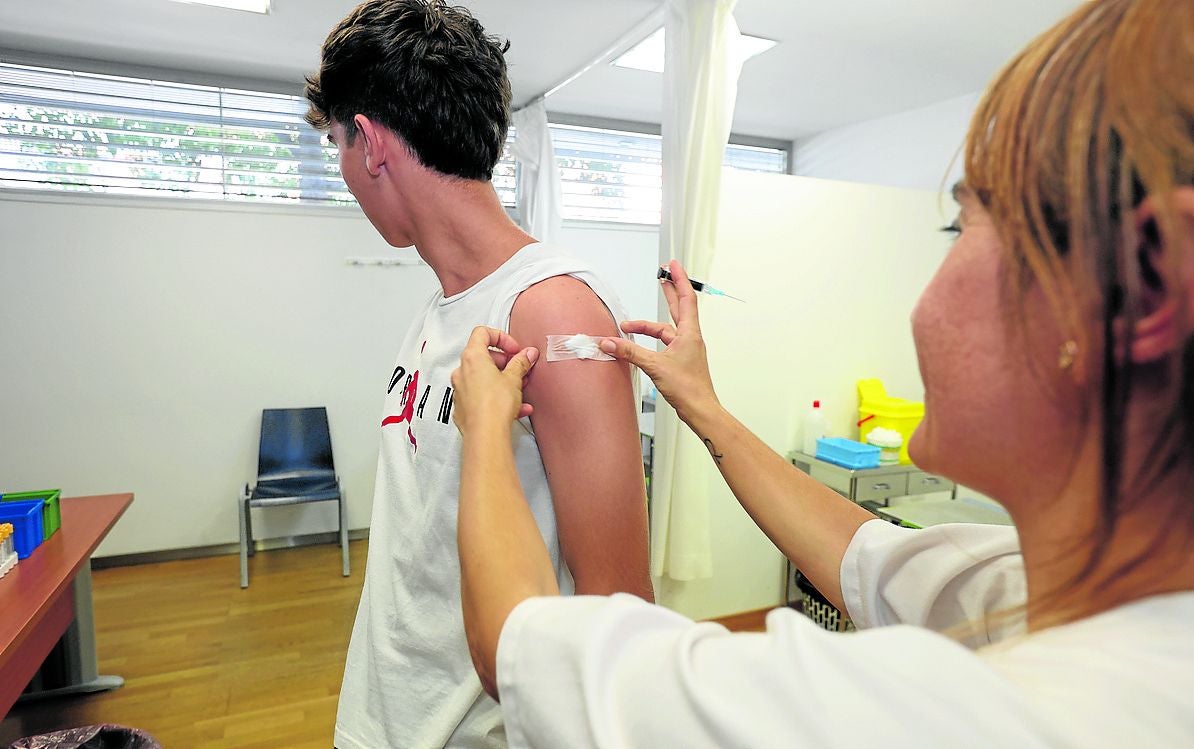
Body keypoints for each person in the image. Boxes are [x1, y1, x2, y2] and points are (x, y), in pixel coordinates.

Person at [449, 0, 1194, 745]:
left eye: (960, 227)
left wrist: (483, 427)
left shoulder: (960, 717)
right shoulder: (1056, 594)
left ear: (1147, 281)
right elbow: (861, 550)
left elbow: (517, 638)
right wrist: (704, 405)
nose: (920, 303)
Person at [304, 1, 653, 747]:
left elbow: (620, 607)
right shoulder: (438, 309)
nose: (341, 171)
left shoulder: (554, 310)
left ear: (369, 142)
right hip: (385, 715)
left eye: (335, 142)